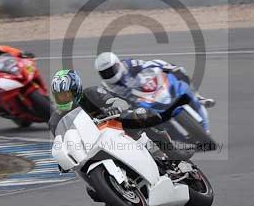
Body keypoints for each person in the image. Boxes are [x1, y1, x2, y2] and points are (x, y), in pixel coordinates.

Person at [49, 69, 184, 169]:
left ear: (76, 90)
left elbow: (114, 100)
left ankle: (171, 151)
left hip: (116, 128)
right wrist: (62, 159)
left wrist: (115, 106)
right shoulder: (55, 119)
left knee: (142, 114)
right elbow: (61, 142)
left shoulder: (91, 93)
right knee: (93, 192)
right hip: (91, 147)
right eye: (59, 96)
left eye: (66, 94)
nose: (63, 99)